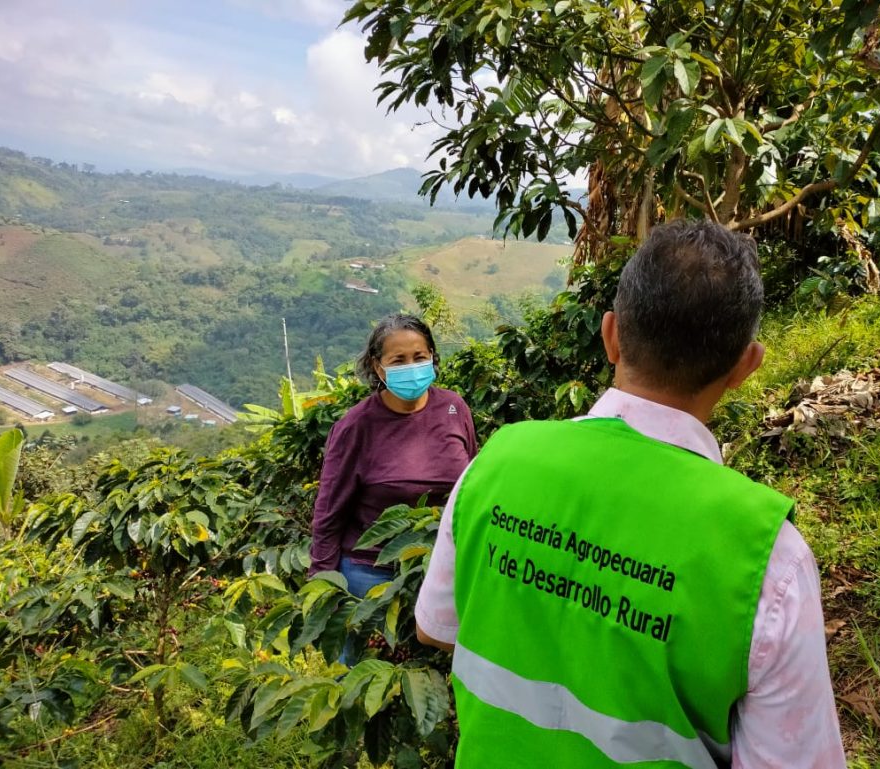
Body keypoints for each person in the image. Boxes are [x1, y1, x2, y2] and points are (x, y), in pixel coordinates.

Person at [415, 221, 846, 768]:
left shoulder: (497, 461)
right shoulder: (766, 556)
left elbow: (435, 627)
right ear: (746, 365)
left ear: (612, 334)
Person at [309, 313, 477, 600]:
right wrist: (321, 580)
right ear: (378, 366)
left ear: (432, 357)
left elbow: (471, 484)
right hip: (371, 574)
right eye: (398, 360)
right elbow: (329, 511)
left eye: (419, 357)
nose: (411, 367)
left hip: (442, 566)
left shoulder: (453, 408)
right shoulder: (356, 426)